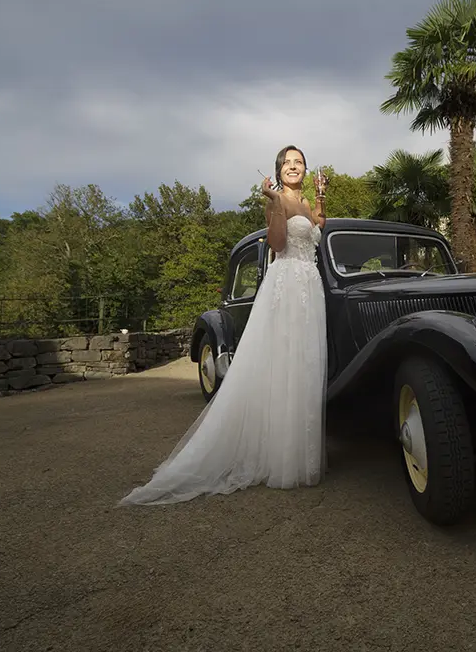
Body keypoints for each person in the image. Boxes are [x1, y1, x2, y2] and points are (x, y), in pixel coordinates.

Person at [118, 145, 330, 506]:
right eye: (287, 163)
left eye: (300, 163)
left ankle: (299, 455)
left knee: (304, 367)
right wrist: (274, 202)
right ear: (278, 172)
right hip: (288, 286)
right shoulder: (276, 200)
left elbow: (317, 229)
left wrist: (322, 197)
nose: (294, 167)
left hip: (310, 286)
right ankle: (278, 459)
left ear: (306, 170)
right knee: (282, 367)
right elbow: (278, 243)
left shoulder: (308, 203)